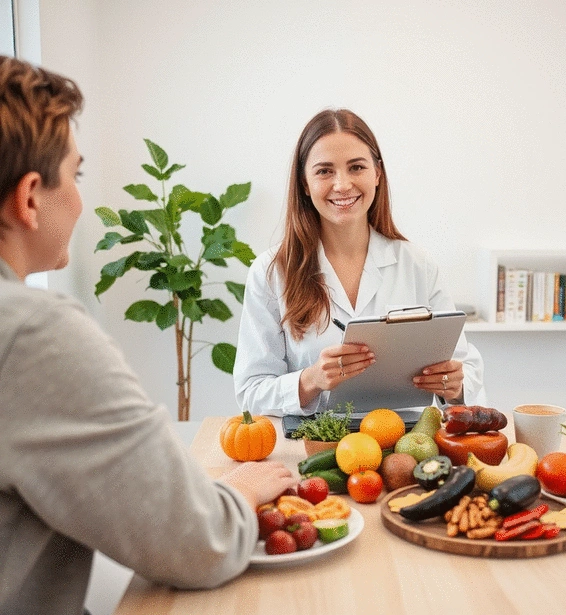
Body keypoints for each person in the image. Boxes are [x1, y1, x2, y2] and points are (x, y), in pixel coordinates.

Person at [0, 56, 297, 615]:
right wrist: (239, 492)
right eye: (77, 174)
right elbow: (197, 542)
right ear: (31, 196)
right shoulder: (34, 334)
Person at [234, 108, 486, 417]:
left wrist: (454, 384)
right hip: (314, 447)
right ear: (304, 182)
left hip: (405, 448)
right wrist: (311, 380)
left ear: (377, 174)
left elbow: (468, 371)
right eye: (324, 171)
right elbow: (250, 393)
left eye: (356, 167)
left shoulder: (417, 264)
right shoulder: (271, 272)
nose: (342, 185)